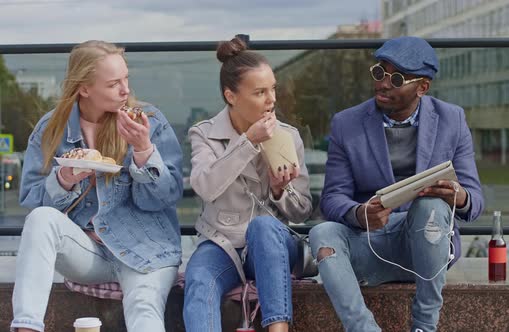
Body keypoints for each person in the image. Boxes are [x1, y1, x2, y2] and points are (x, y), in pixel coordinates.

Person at [309, 36, 484, 332]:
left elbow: (475, 202)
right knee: (322, 232)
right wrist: (359, 213)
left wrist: (459, 195)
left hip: (428, 244)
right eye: (379, 72)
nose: (383, 84)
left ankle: (424, 327)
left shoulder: (451, 119)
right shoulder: (346, 123)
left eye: (397, 77)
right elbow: (333, 196)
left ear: (422, 87)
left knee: (430, 205)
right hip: (370, 242)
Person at [11, 40, 183, 332]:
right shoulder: (51, 129)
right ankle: (26, 327)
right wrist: (64, 180)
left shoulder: (149, 121)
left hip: (146, 248)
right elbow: (31, 197)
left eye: (126, 79)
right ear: (85, 88)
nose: (125, 90)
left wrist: (143, 150)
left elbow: (167, 196)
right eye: (114, 83)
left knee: (143, 307)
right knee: (41, 220)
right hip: (90, 253)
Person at [183, 37, 313, 332]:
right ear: (231, 96)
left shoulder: (288, 136)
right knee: (200, 279)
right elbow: (204, 186)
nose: (272, 100)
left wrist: (280, 191)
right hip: (221, 241)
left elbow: (302, 210)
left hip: (272, 246)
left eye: (273, 89)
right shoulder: (204, 134)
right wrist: (249, 142)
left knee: (263, 227)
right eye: (260, 92)